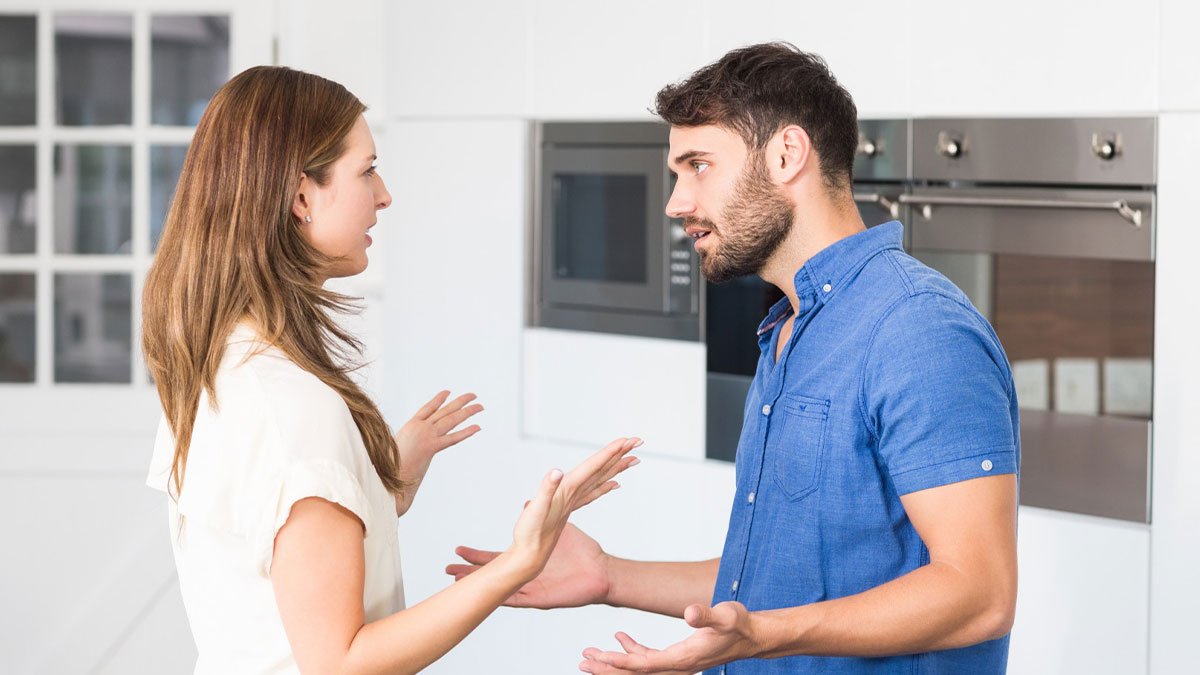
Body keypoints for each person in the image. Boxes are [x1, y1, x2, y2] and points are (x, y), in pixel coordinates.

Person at [448, 43, 1020, 674]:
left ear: (786, 155)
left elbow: (979, 595)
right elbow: (778, 577)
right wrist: (609, 577)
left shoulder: (917, 329)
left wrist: (765, 635)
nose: (676, 202)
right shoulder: (790, 328)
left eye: (698, 165)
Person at [142, 65, 640, 674]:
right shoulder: (296, 410)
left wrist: (379, 481)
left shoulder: (214, 364)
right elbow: (341, 663)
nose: (384, 194)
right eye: (367, 169)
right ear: (301, 196)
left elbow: (277, 543)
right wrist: (522, 560)